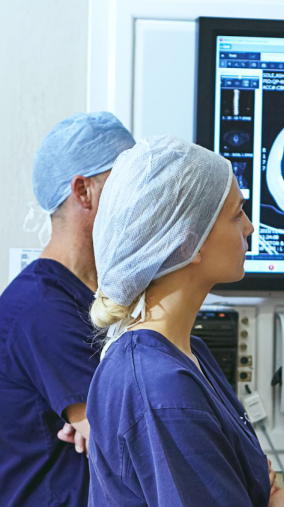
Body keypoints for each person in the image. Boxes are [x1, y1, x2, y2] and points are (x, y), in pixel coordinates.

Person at [86, 136, 284, 506]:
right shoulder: (161, 387)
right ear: (187, 244)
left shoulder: (188, 354)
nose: (249, 228)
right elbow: (264, 489)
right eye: (237, 214)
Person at [0, 112, 134, 506]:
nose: (141, 198)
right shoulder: (43, 311)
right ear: (83, 191)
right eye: (127, 184)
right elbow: (126, 446)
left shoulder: (97, 298)